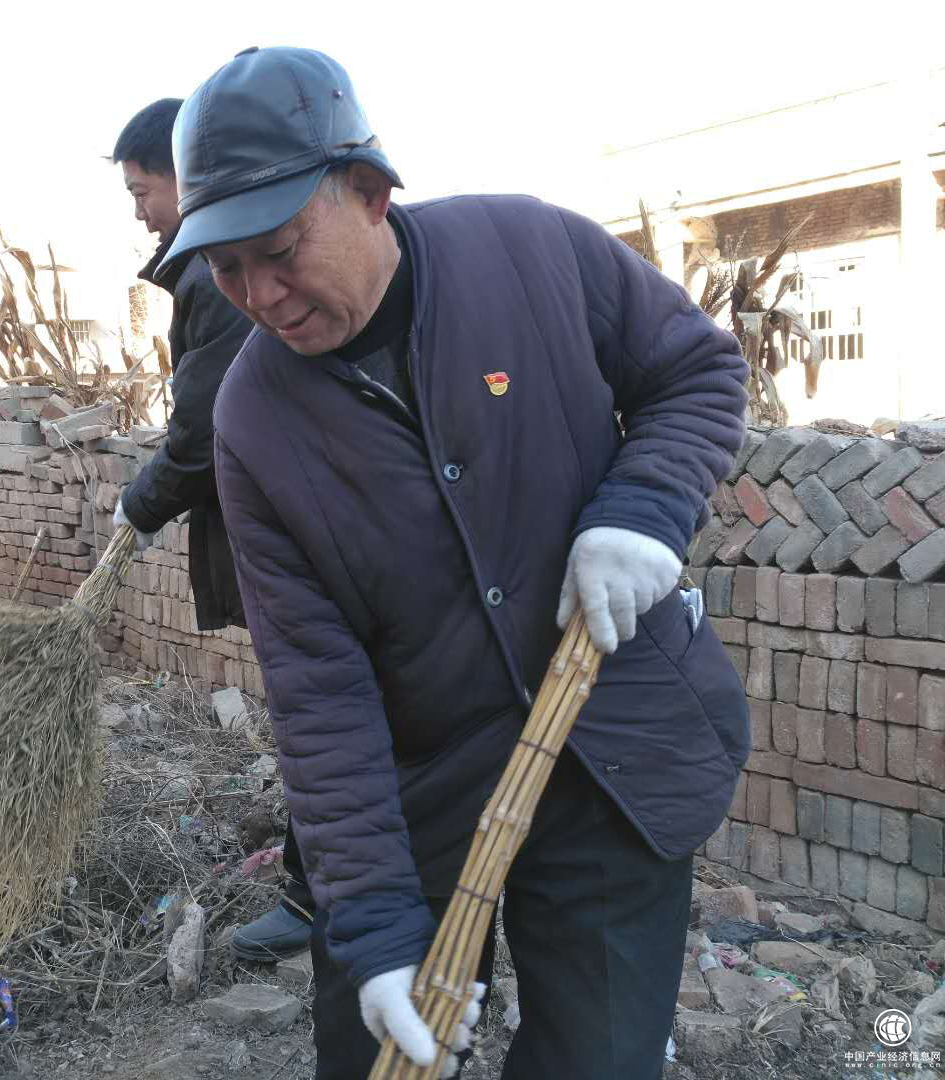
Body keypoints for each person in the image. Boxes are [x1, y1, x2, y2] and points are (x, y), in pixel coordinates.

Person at [158, 46, 751, 1080]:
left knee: (602, 1060)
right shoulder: (255, 423)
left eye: (281, 249)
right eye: (226, 267)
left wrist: (644, 512)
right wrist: (381, 930)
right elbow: (317, 692)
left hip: (613, 735)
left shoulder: (528, 252)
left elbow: (694, 369)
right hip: (421, 780)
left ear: (371, 192)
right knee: (377, 1047)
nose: (260, 294)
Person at [109, 100, 315, 960]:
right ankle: (326, 883)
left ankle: (320, 902)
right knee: (318, 706)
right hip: (288, 516)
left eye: (141, 190)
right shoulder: (210, 271)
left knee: (317, 707)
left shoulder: (217, 273)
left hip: (291, 527)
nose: (138, 213)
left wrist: (142, 503)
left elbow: (205, 428)